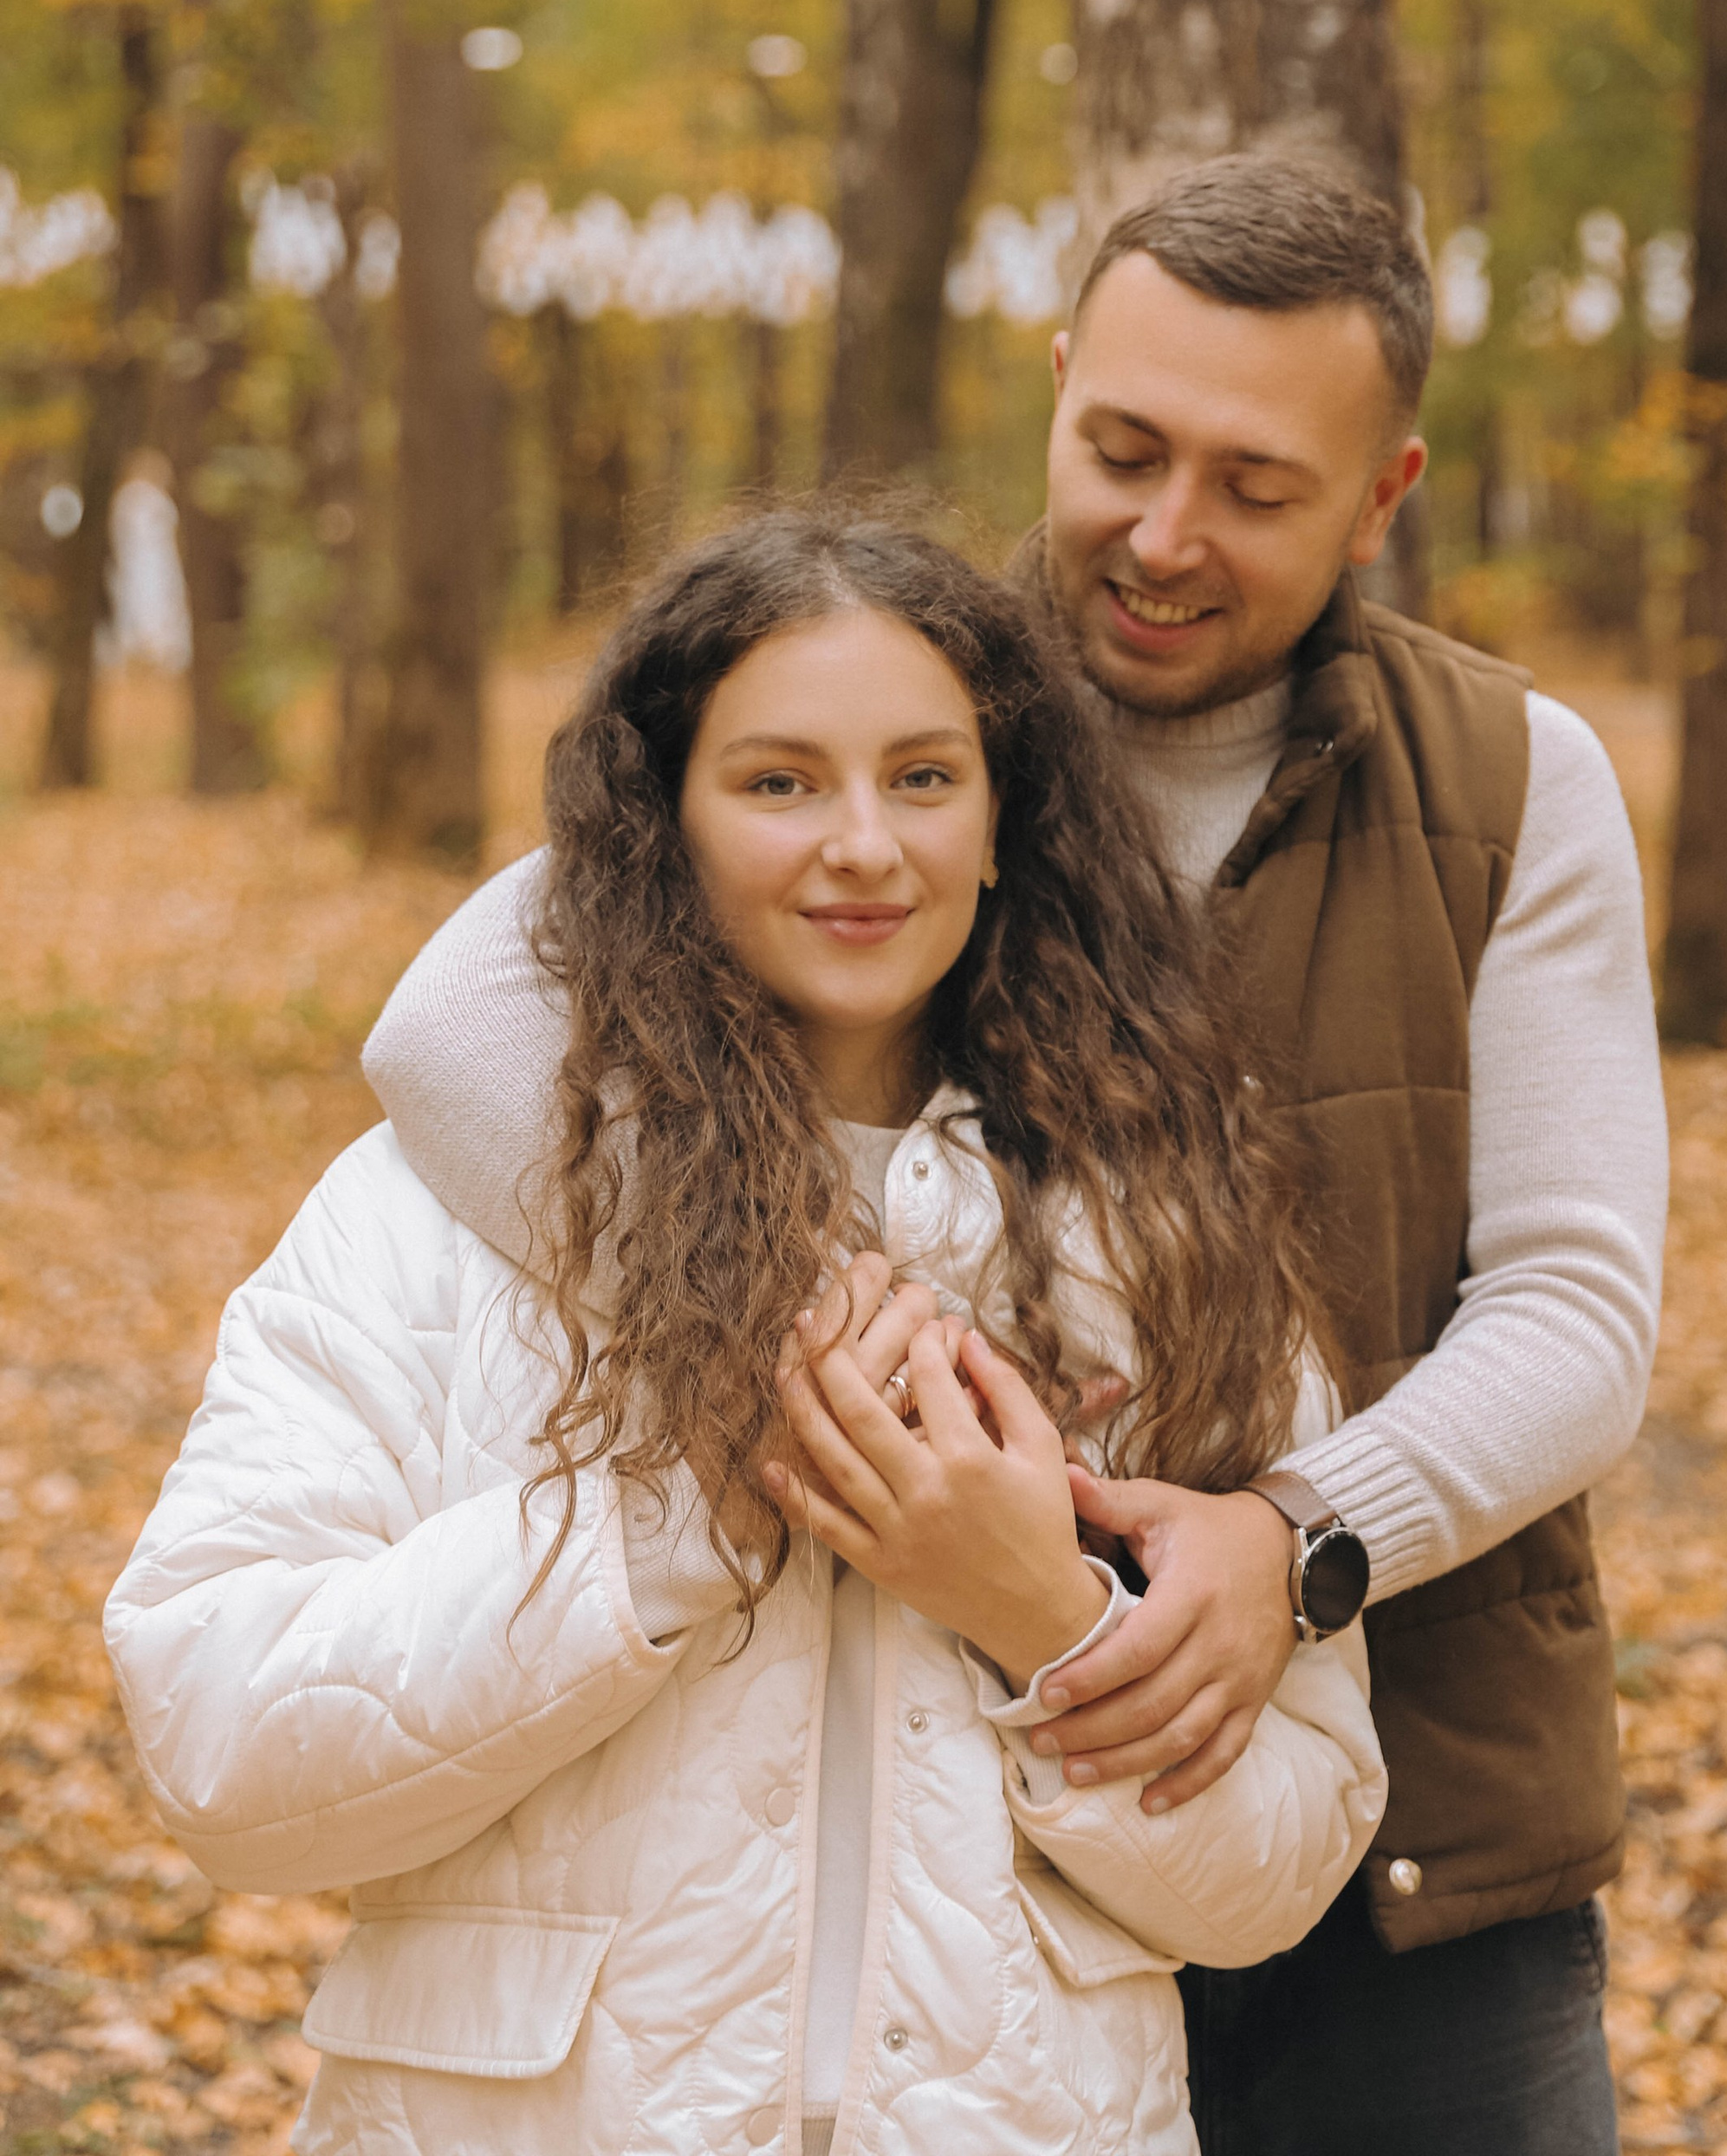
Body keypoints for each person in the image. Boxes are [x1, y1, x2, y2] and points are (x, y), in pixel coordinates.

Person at [360, 151, 1670, 2156]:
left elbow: (1577, 1310)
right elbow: (450, 1031)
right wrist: (815, 1330)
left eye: (1252, 486)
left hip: (1416, 1853)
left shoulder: (1506, 782)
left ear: (1383, 493)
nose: (1160, 535)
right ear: (1056, 384)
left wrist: (1296, 1542)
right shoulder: (898, 698)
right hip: (959, 1857)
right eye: (1120, 447)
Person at [106, 514, 1386, 2156]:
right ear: (665, 826)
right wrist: (677, 1516)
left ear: (1007, 822)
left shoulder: (1164, 1238)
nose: (864, 845)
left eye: (925, 778)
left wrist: (1041, 1618)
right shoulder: (438, 1216)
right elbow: (217, 1750)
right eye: (779, 783)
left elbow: (1282, 1864)